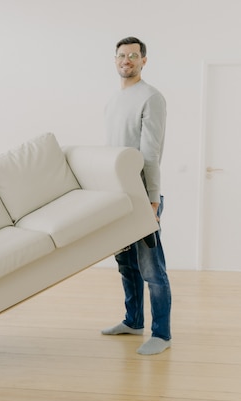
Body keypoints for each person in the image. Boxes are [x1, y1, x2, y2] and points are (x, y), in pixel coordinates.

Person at [101, 37, 172, 355]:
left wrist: (153, 199)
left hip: (143, 197)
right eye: (121, 55)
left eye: (133, 55)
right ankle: (133, 321)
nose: (126, 60)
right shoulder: (114, 100)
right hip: (119, 195)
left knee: (152, 269)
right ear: (115, 60)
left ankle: (162, 334)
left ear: (144, 60)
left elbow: (151, 153)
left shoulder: (151, 97)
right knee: (126, 265)